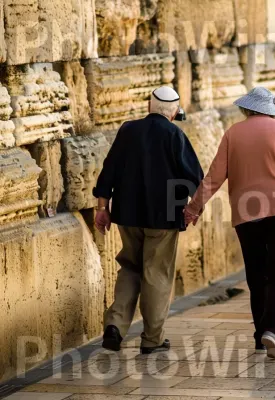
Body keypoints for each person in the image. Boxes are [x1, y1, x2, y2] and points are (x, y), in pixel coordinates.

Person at [184, 87, 275, 360]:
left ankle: (261, 336)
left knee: (257, 273)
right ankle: (272, 329)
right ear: (270, 109)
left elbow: (214, 177)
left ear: (247, 108)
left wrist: (194, 207)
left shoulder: (232, 134)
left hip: (246, 214)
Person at [93, 86, 203, 354]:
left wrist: (102, 207)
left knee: (129, 266)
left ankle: (115, 326)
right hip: (163, 216)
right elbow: (195, 179)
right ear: (175, 112)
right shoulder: (175, 134)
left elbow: (109, 170)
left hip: (127, 214)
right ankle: (152, 339)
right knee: (156, 273)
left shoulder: (128, 130)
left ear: (149, 107)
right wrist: (193, 209)